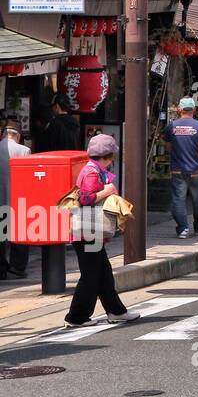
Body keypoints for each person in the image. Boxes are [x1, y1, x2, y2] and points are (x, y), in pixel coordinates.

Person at [63, 134, 139, 328]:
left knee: (103, 272)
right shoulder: (91, 172)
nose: (112, 160)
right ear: (106, 156)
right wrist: (107, 191)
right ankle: (76, 317)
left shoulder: (93, 170)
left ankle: (116, 311)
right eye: (111, 156)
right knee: (91, 275)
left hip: (89, 231)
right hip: (88, 231)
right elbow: (85, 199)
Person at [163, 97, 198, 238]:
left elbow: (168, 147)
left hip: (177, 169)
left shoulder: (171, 127)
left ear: (179, 109)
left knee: (178, 198)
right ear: (194, 110)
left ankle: (183, 228)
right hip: (195, 169)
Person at [0, 123, 32, 278]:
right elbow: (28, 177)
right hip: (17, 199)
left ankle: (1, 269)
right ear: (18, 136)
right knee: (18, 234)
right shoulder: (24, 150)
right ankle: (17, 267)